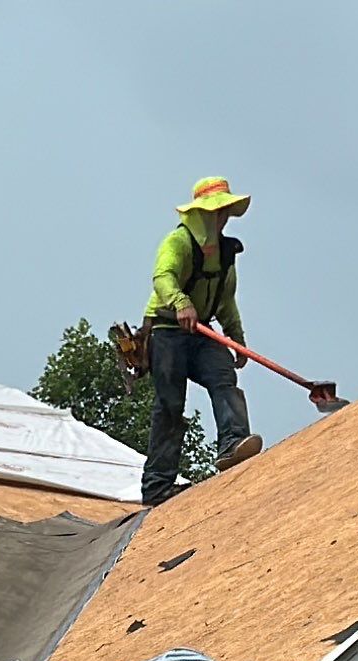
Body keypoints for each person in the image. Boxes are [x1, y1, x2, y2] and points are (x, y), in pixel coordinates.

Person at [140, 176, 263, 506]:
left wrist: (237, 339)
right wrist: (181, 303)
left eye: (224, 212)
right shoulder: (177, 243)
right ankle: (157, 486)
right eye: (215, 212)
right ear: (200, 215)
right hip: (166, 329)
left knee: (223, 376)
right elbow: (162, 278)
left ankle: (232, 444)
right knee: (170, 403)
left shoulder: (225, 255)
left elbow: (227, 300)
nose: (220, 218)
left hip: (200, 331)